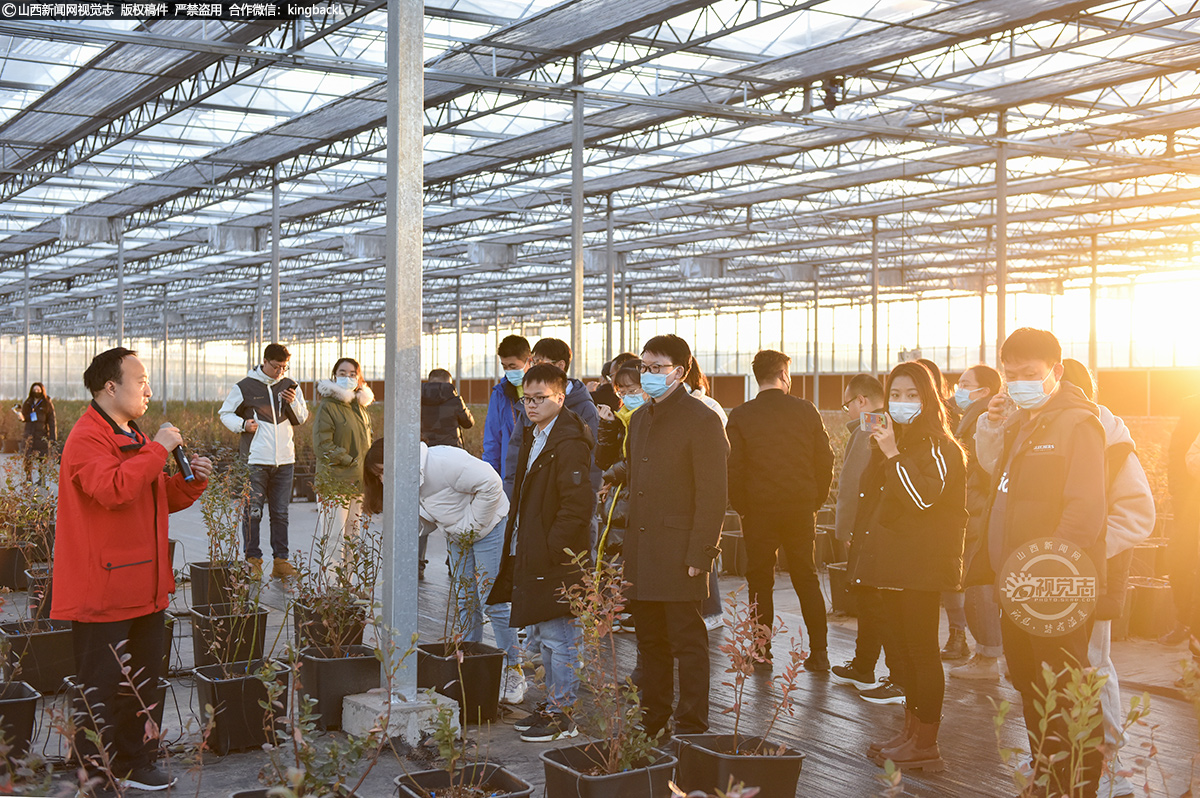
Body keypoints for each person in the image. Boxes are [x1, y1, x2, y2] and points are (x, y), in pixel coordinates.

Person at [53, 348, 213, 793]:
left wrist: (189, 480)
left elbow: (155, 493)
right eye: (140, 379)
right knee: (102, 686)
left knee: (143, 683)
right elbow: (115, 489)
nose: (147, 388)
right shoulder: (87, 438)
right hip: (105, 586)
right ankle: (96, 770)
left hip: (145, 581)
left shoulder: (135, 435)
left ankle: (137, 760)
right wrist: (160, 447)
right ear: (110, 386)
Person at [973, 328, 1106, 797]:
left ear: (1057, 370)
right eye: (1010, 376)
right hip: (1018, 582)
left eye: (1029, 374)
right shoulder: (1023, 422)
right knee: (1031, 684)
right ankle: (1045, 775)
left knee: (1065, 689)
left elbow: (1086, 507)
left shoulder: (1076, 424)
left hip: (1053, 583)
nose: (1018, 383)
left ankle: (1076, 787)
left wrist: (1048, 567)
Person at [852, 361, 967, 772]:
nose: (902, 403)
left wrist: (891, 452)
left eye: (912, 395)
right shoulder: (897, 441)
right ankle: (909, 733)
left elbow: (922, 499)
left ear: (930, 398)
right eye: (896, 395)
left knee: (921, 652)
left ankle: (926, 744)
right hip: (894, 564)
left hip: (922, 566)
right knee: (902, 651)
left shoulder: (939, 445)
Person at [623, 334, 728, 737]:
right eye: (644, 368)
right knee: (649, 640)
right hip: (643, 549)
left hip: (680, 551)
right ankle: (653, 716)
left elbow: (714, 494)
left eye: (657, 368)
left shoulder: (701, 419)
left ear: (680, 372)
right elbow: (636, 481)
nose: (648, 375)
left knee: (688, 642)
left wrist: (702, 552)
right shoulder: (641, 419)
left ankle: (691, 722)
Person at [487, 364, 596, 742]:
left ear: (560, 396)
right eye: (526, 399)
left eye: (539, 398)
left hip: (557, 555)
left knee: (561, 635)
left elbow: (577, 506)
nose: (531, 405)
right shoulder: (537, 434)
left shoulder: (569, 442)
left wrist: (552, 549)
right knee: (547, 634)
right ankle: (552, 704)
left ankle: (563, 714)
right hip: (534, 548)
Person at [1061, 359, 1154, 798]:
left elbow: (1138, 515)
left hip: (1090, 574)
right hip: (1051, 574)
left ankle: (1109, 758)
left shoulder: (1112, 445)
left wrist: (1087, 555)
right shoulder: (1045, 435)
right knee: (1063, 668)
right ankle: (1070, 755)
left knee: (1093, 665)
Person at [727, 349, 834, 671]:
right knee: (806, 578)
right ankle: (819, 654)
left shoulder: (742, 415)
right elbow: (825, 459)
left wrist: (743, 508)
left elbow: (734, 468)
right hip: (800, 508)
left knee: (760, 581)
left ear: (756, 377)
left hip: (759, 511)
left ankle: (762, 652)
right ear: (784, 375)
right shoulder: (806, 410)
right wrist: (814, 501)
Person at [416, 440, 525, 704]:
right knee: (465, 598)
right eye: (379, 474)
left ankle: (513, 669)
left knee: (493, 598)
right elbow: (429, 514)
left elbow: (491, 483)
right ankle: (467, 659)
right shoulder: (405, 480)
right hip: (457, 533)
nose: (383, 478)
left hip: (489, 525)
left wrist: (471, 528)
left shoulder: (444, 461)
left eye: (383, 470)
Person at [831, 374, 903, 701]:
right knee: (871, 599)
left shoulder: (868, 426)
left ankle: (882, 672)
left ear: (861, 401)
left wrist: (846, 529)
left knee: (873, 601)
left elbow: (852, 485)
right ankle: (863, 665)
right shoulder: (888, 423)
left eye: (847, 404)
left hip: (868, 528)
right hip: (881, 527)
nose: (845, 411)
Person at [219, 343, 309, 580]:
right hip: (255, 460)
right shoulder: (244, 387)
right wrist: (243, 425)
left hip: (285, 460)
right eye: (277, 366)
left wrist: (293, 402)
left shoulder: (291, 386)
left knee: (281, 513)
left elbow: (301, 418)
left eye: (285, 367)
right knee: (253, 511)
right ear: (265, 361)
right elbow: (225, 413)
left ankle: (281, 561)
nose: (281, 371)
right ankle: (253, 560)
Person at [949, 364, 1006, 682]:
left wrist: (974, 511)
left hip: (978, 513)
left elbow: (985, 473)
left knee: (977, 586)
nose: (958, 389)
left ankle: (987, 656)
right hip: (975, 511)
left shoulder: (984, 421)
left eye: (964, 383)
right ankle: (987, 653)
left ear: (984, 391)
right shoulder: (972, 418)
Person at [916, 358, 969, 662]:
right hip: (930, 503)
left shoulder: (950, 413)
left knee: (953, 577)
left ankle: (958, 634)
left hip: (951, 503)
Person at [502, 338, 601, 499]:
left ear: (561, 365)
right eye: (533, 362)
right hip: (531, 498)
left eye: (540, 362)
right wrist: (510, 496)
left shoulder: (584, 409)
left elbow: (593, 462)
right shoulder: (529, 407)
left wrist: (587, 503)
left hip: (566, 500)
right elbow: (514, 454)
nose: (533, 368)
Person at [681, 357, 729, 632]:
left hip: (699, 489)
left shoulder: (708, 409)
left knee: (702, 550)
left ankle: (712, 611)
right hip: (685, 491)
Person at [313, 357, 375, 558]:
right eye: (342, 373)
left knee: (352, 538)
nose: (347, 377)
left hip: (358, 483)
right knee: (334, 537)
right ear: (334, 376)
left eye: (352, 374)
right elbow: (322, 444)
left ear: (359, 379)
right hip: (335, 482)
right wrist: (350, 461)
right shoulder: (328, 406)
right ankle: (332, 588)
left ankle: (347, 586)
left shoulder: (360, 409)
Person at [1163, 393, 1200, 647]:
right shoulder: (1191, 408)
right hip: (1190, 505)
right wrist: (1178, 494)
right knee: (1178, 562)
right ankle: (1184, 622)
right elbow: (1176, 456)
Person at [483, 335, 531, 482]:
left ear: (529, 360)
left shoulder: (545, 390)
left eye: (513, 366)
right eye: (504, 367)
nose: (509, 371)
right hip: (510, 472)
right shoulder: (499, 394)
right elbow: (492, 438)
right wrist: (489, 477)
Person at [11, 382, 56, 484]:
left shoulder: (46, 403)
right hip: (29, 434)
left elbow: (52, 421)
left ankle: (41, 478)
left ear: (42, 391)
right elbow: (26, 417)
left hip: (42, 435)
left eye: (38, 390)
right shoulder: (28, 402)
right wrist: (21, 418)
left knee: (42, 457)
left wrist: (52, 437)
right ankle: (28, 478)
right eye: (34, 390)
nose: (36, 392)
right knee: (27, 457)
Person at [421, 368, 474, 448]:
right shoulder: (455, 401)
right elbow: (468, 423)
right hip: (451, 450)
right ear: (448, 383)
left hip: (426, 450)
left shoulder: (418, 400)